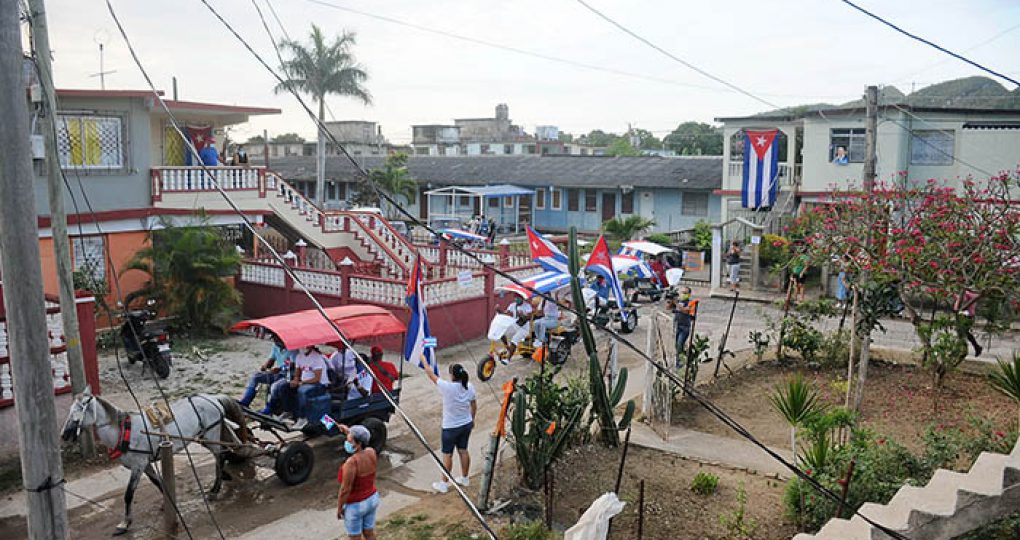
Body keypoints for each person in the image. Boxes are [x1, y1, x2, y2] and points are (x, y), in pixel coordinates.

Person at [425, 363, 476, 494]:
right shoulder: (469, 386)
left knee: (447, 454)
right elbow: (474, 405)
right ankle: (465, 478)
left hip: (450, 427)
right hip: (466, 424)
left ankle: (444, 483)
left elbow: (431, 374)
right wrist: (472, 419)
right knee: (463, 450)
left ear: (452, 375)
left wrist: (423, 359)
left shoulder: (447, 387)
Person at [268, 345, 330, 429]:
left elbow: (317, 378)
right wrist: (295, 380)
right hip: (304, 382)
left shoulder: (316, 358)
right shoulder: (299, 356)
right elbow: (297, 373)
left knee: (302, 391)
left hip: (319, 384)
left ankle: (302, 417)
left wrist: (302, 382)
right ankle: (287, 411)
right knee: (284, 386)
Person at [336, 424, 379, 540]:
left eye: (349, 441)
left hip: (356, 505)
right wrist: (347, 430)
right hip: (372, 499)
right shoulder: (371, 452)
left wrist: (339, 508)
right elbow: (360, 437)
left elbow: (345, 489)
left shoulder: (351, 463)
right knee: (369, 533)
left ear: (358, 444)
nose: (347, 442)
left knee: (355, 537)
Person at [238, 335, 295, 412]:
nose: (276, 342)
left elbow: (292, 365)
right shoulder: (275, 346)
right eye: (275, 340)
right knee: (256, 376)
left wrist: (280, 368)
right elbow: (271, 360)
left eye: (277, 340)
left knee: (275, 386)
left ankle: (269, 408)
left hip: (288, 375)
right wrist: (265, 366)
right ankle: (245, 401)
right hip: (277, 373)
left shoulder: (293, 349)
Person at [668, 287, 696, 368]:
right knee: (677, 346)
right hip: (677, 326)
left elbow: (686, 311)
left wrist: (676, 304)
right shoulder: (679, 301)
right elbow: (668, 308)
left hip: (685, 327)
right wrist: (671, 301)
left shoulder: (691, 303)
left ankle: (680, 364)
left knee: (680, 345)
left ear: (689, 294)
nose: (683, 294)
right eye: (682, 292)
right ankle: (680, 361)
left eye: (685, 293)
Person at [954, 290, 983, 357]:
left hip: (967, 316)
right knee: (963, 333)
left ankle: (965, 349)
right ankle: (974, 347)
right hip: (967, 315)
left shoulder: (967, 293)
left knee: (963, 332)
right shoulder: (973, 294)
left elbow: (963, 301)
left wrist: (956, 296)